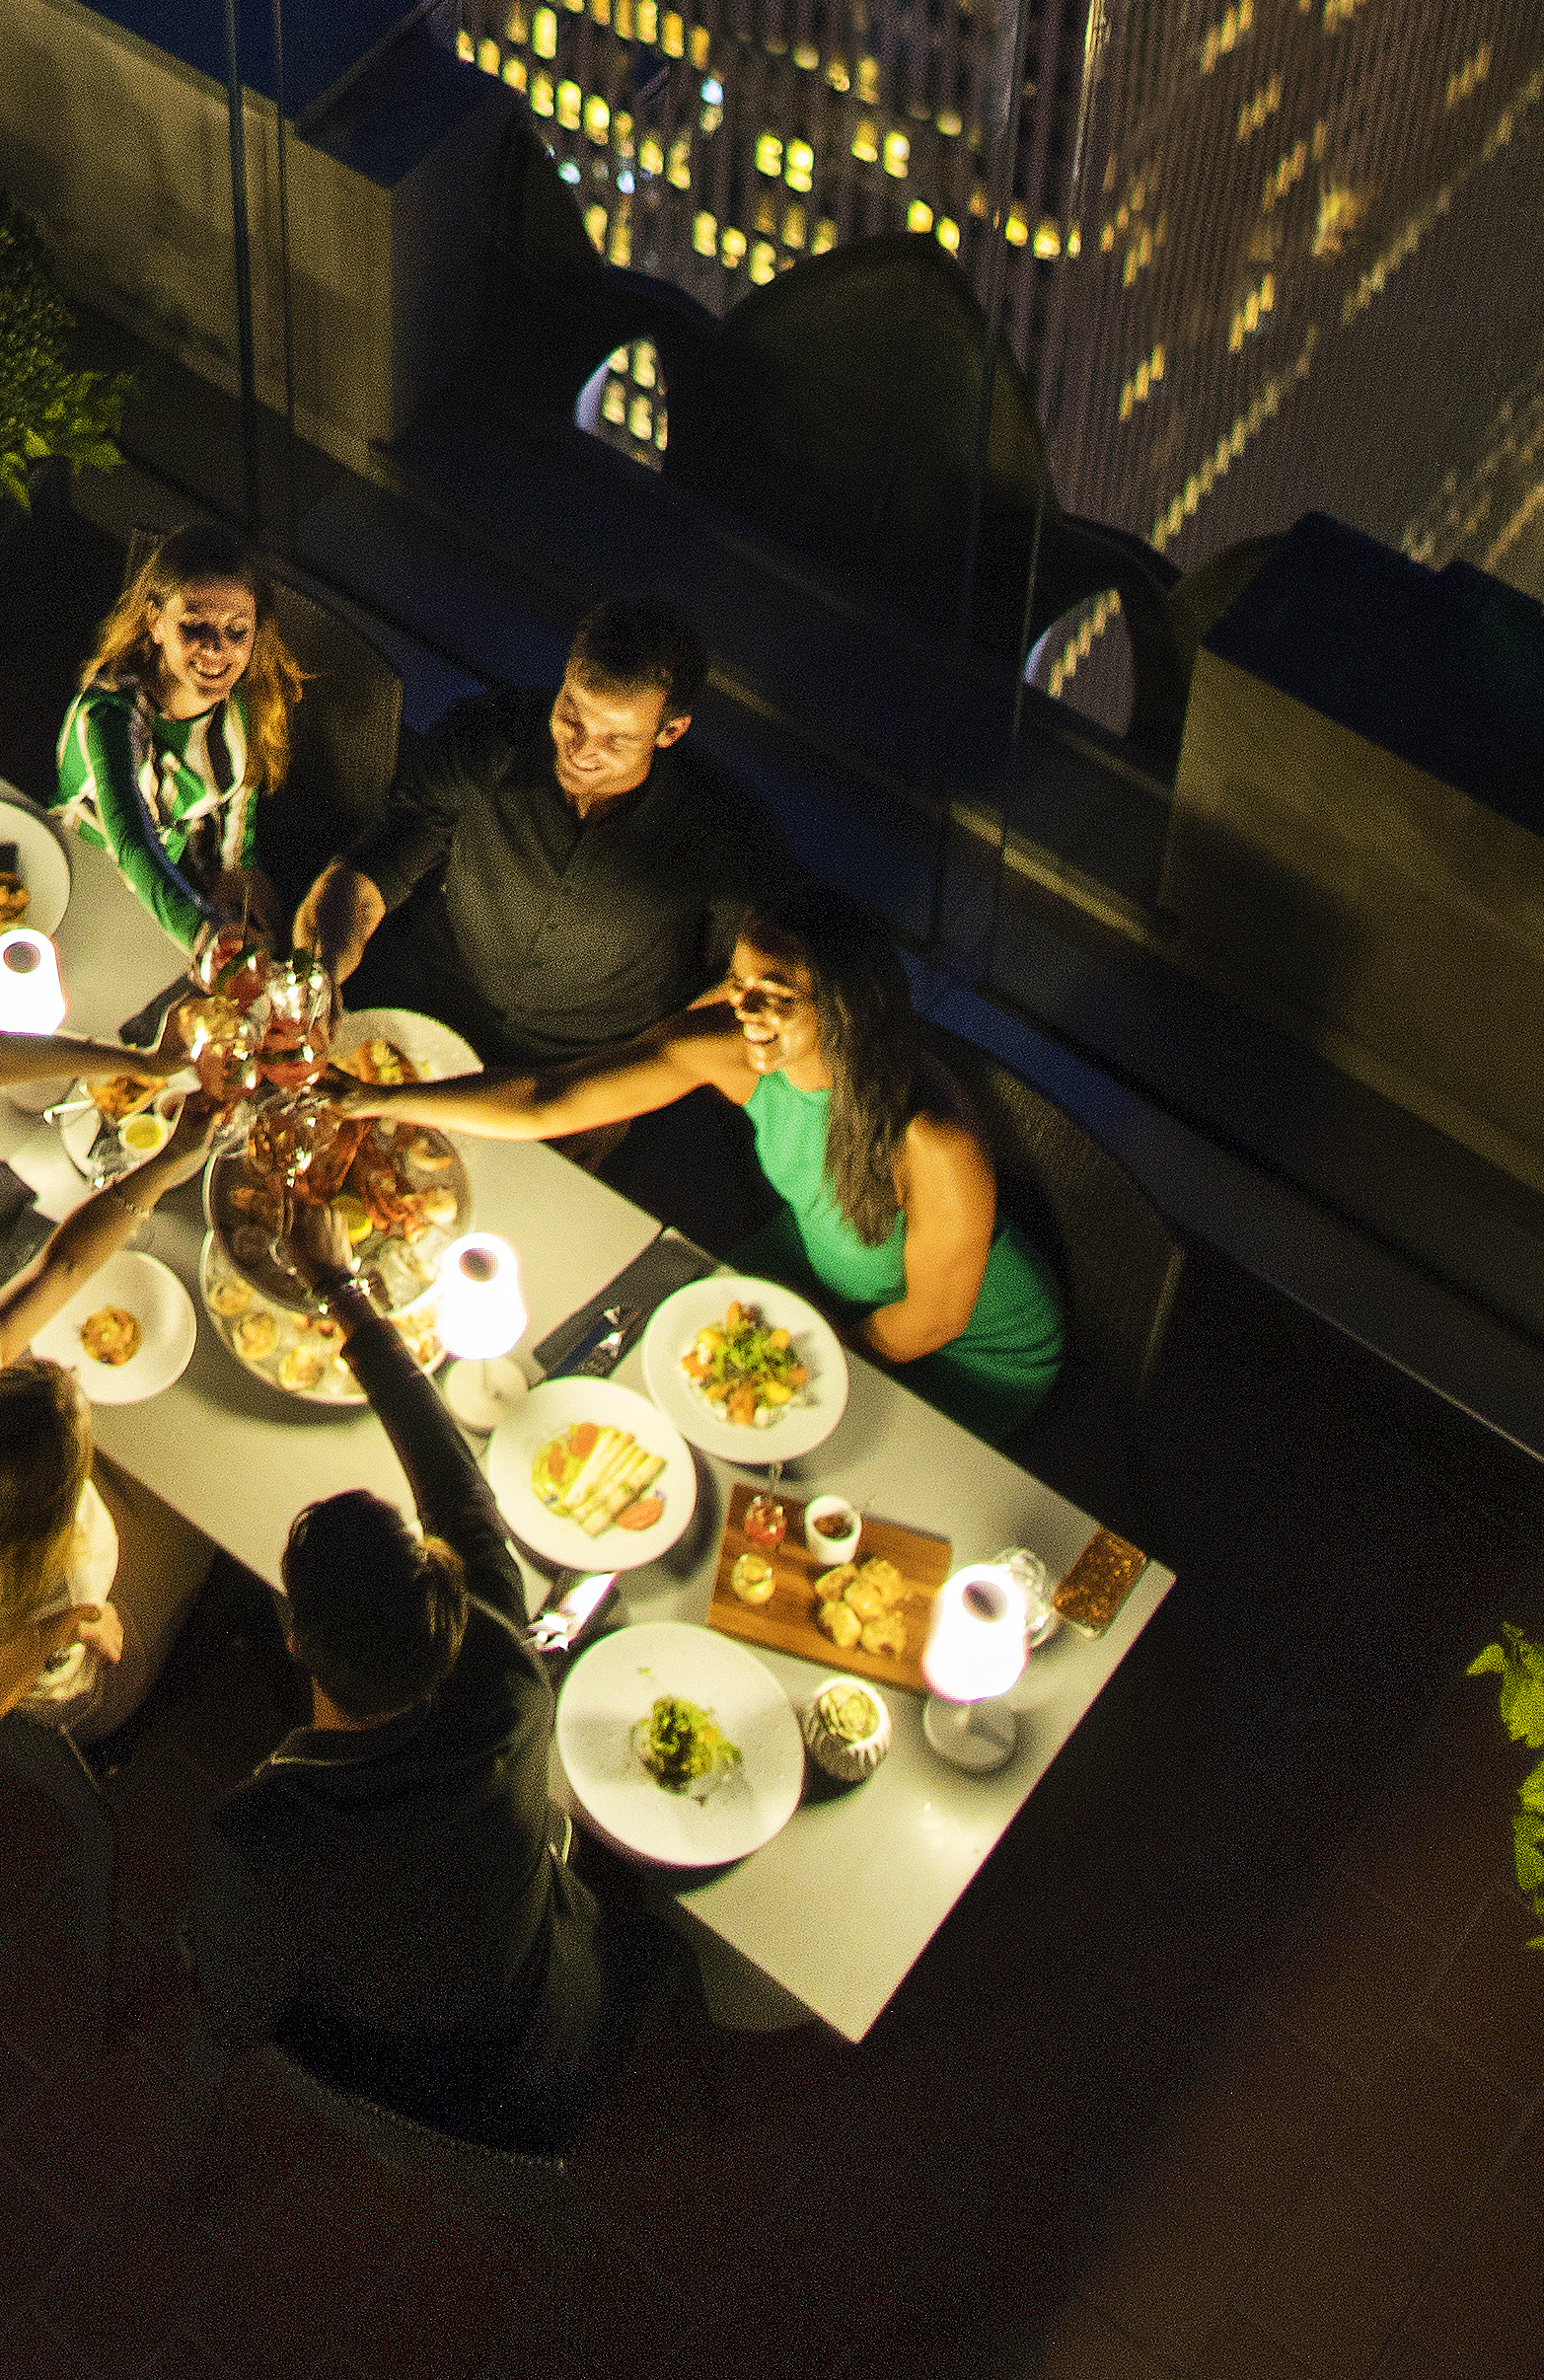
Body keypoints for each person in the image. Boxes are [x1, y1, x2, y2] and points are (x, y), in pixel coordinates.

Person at [181, 1179, 616, 2148]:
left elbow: (232, 2012)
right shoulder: (505, 1674)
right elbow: (459, 1497)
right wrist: (344, 1289)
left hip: (430, 2084)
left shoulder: (261, 1834)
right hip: (553, 1999)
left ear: (293, 1639)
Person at [419, 891, 1066, 1428]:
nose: (743, 1010)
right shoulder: (738, 1034)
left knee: (746, 1424)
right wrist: (375, 1100)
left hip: (969, 1345)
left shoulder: (936, 1141)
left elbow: (929, 1325)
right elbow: (547, 1097)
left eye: (775, 994)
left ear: (843, 1011)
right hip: (827, 1268)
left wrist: (773, 1373)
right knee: (646, 1349)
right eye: (737, 981)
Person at [293, 595, 781, 1081]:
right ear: (566, 675)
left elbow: (733, 986)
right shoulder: (486, 736)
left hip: (575, 1082)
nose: (581, 751)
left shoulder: (726, 839)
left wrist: (632, 1076)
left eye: (617, 739)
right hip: (416, 1028)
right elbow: (372, 868)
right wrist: (321, 973)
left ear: (669, 731)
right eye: (573, 712)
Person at [0, 1112, 227, 1749]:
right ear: (67, 1498)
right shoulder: (70, 1579)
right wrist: (72, 1626)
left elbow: (57, 1269)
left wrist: (169, 1158)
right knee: (202, 1530)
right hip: (50, 1684)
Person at [58, 527, 326, 949]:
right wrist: (205, 937)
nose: (216, 649)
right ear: (156, 623)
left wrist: (241, 882)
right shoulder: (109, 713)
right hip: (87, 869)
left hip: (179, 869)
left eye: (237, 631)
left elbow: (241, 814)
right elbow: (131, 839)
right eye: (194, 626)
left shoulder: (245, 708)